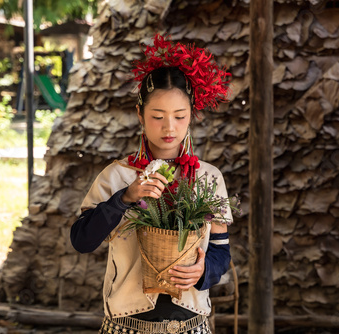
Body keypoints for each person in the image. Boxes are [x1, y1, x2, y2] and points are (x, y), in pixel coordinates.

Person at [70, 34, 233, 334]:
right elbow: (82, 241)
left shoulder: (209, 179)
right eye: (158, 116)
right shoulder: (117, 176)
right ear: (140, 115)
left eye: (179, 116)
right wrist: (125, 198)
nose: (169, 127)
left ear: (191, 116)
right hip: (126, 326)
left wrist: (203, 271)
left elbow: (221, 253)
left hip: (192, 326)